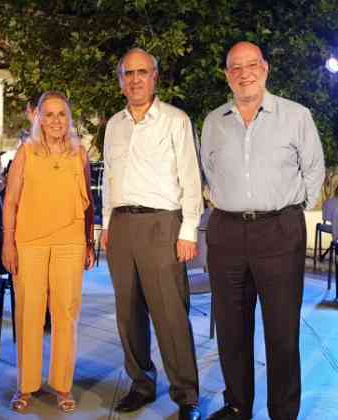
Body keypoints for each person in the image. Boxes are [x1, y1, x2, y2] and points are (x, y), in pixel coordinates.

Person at [201, 41, 325, 420]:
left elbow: (314, 170)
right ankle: (237, 405)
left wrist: (291, 211)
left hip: (279, 232)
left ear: (265, 68)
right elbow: (208, 172)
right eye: (235, 68)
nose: (245, 74)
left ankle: (282, 412)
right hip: (226, 233)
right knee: (232, 329)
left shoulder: (296, 116)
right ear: (227, 75)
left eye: (251, 65)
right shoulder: (213, 122)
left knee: (282, 331)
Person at [100, 48, 203, 420]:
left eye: (142, 72)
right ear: (120, 81)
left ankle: (186, 394)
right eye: (128, 73)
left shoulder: (176, 120)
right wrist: (107, 225)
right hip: (121, 225)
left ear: (154, 77)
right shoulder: (114, 124)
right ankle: (141, 383)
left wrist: (188, 230)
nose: (135, 79)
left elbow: (191, 178)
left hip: (163, 224)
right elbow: (110, 178)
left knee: (170, 314)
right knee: (128, 314)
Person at [2, 91, 95, 412]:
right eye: (49, 114)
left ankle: (62, 385)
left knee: (66, 313)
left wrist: (89, 242)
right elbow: (10, 202)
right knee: (29, 313)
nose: (56, 120)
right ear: (39, 118)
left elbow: (88, 203)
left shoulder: (79, 153)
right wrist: (8, 243)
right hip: (30, 244)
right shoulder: (26, 152)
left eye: (61, 114)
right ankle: (26, 385)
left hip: (70, 243)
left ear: (69, 118)